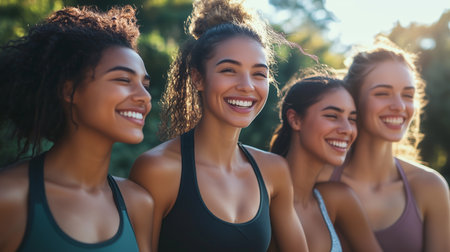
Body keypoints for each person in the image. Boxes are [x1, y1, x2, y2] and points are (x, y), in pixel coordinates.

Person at [129, 0, 308, 251]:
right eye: (229, 70)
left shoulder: (274, 171)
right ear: (198, 78)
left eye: (259, 73)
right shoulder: (158, 170)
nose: (247, 85)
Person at [0, 6, 153, 252]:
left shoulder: (138, 204)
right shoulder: (9, 198)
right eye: (123, 80)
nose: (144, 97)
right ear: (69, 91)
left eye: (145, 84)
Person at [318, 36, 450, 251]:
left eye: (408, 95)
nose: (399, 106)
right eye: (382, 93)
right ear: (352, 98)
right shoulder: (320, 180)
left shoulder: (430, 187)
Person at [270, 75, 382, 252]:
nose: (346, 129)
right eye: (332, 116)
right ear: (295, 119)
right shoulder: (260, 198)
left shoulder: (338, 199)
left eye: (352, 119)